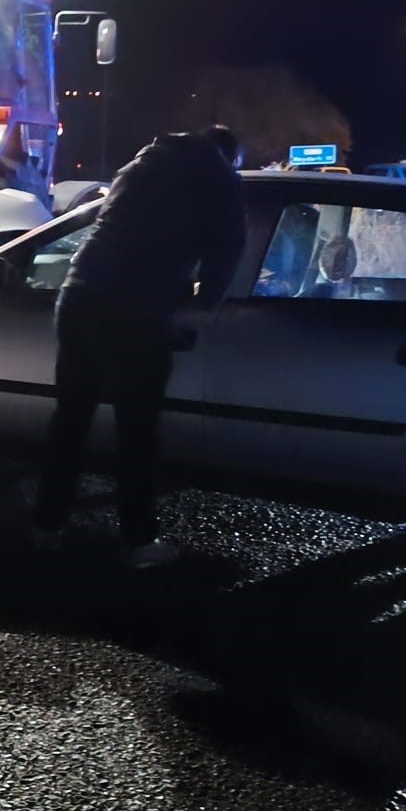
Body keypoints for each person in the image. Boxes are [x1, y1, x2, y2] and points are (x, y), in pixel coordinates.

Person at [32, 125, 247, 567]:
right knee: (137, 429)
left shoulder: (141, 163)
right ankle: (138, 541)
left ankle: (46, 526)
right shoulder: (219, 174)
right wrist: (206, 300)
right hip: (135, 309)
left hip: (79, 295)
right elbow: (230, 246)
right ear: (229, 155)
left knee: (69, 421)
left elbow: (108, 225)